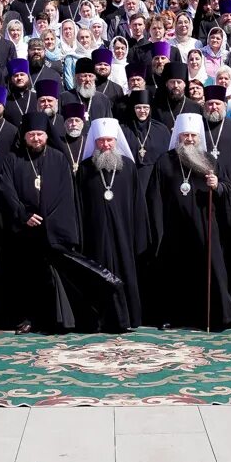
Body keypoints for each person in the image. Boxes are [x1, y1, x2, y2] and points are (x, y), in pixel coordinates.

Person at [144, 112, 231, 329]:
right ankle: (171, 316)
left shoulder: (209, 160)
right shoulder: (165, 160)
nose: (189, 139)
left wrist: (217, 185)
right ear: (178, 136)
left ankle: (213, 316)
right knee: (174, 273)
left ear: (199, 137)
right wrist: (158, 228)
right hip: (173, 227)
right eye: (185, 135)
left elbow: (227, 188)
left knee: (208, 270)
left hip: (204, 225)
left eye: (193, 135)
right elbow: (154, 195)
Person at [0, 111, 79, 333]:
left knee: (52, 277)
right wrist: (23, 215)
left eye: (40, 134)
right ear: (24, 137)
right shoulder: (13, 159)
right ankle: (27, 318)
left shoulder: (59, 159)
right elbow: (5, 189)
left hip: (53, 231)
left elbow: (65, 194)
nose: (36, 139)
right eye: (31, 135)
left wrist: (49, 220)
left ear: (47, 136)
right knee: (25, 278)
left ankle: (55, 318)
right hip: (23, 231)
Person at [74, 118, 146, 331]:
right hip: (95, 233)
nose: (106, 145)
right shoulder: (86, 168)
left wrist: (139, 235)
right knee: (97, 274)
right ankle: (99, 320)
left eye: (109, 141)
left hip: (124, 232)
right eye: (101, 141)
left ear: (116, 141)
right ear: (95, 142)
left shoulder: (129, 166)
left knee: (125, 272)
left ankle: (127, 319)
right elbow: (79, 204)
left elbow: (138, 204)